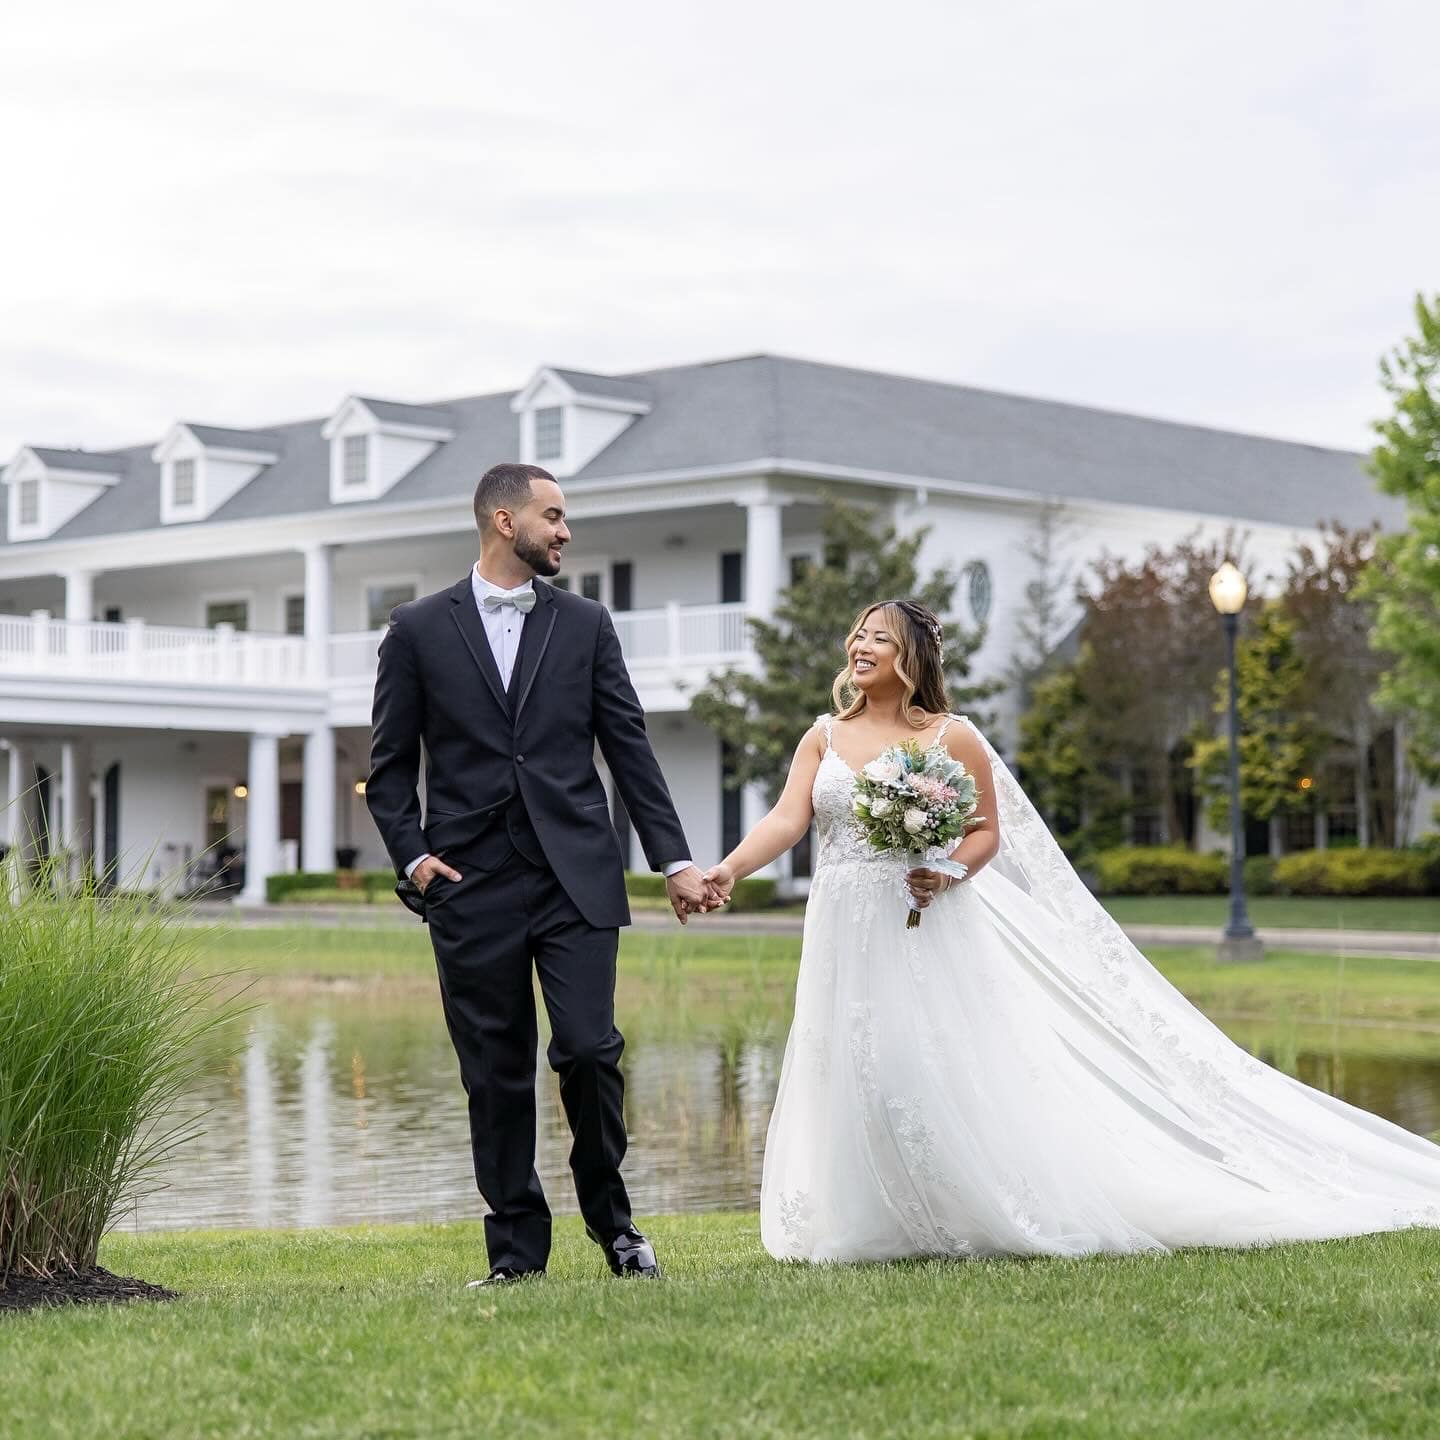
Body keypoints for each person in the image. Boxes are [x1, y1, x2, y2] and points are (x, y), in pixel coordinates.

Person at [702, 597, 1440, 1263]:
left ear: (912, 658)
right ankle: (866, 1218)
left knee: (917, 1057)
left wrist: (947, 871)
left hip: (924, 921)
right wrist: (729, 871)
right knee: (846, 1055)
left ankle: (960, 1205)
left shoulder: (953, 737)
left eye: (880, 639)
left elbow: (985, 833)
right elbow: (788, 819)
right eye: (858, 634)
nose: (861, 647)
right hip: (841, 922)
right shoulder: (824, 736)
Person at [367, 461, 722, 1286]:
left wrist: (673, 859)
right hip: (468, 884)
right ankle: (517, 1254)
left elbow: (628, 747)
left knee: (590, 1051)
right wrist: (415, 858)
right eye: (553, 516)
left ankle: (615, 1226)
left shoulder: (587, 624)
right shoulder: (417, 629)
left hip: (576, 877)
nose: (565, 531)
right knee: (494, 1074)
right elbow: (388, 769)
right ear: (505, 521)